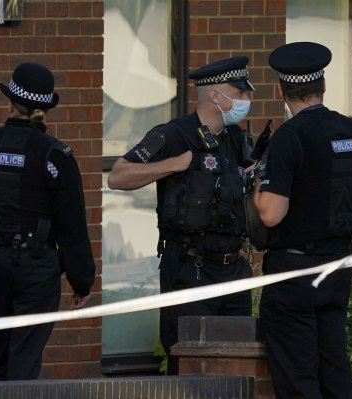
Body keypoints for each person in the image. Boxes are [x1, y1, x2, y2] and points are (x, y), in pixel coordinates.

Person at [0, 62, 96, 381]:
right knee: (24, 357)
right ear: (45, 108)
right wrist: (81, 280)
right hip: (37, 269)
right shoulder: (56, 156)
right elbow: (72, 226)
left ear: (10, 102)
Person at [108, 56, 256, 375]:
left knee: (237, 366)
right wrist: (174, 164)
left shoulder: (237, 139)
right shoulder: (173, 134)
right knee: (189, 366)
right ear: (216, 95)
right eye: (240, 93)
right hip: (190, 268)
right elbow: (118, 176)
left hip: (234, 270)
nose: (246, 101)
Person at [254, 42, 352, 399]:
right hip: (338, 268)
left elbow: (271, 213)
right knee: (336, 370)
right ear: (322, 85)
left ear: (281, 90)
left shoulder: (288, 139)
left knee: (298, 379)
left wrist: (258, 183)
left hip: (294, 273)